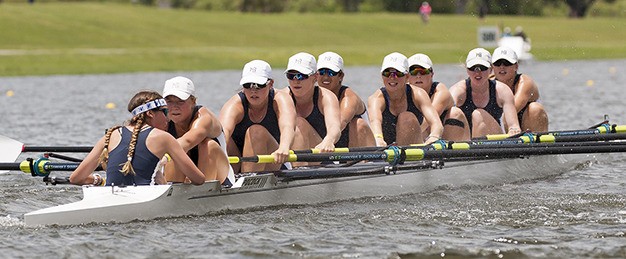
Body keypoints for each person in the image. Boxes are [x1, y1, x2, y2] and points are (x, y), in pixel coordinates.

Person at [69, 90, 205, 186]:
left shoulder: (111, 135)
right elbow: (198, 180)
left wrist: (98, 180)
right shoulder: (164, 137)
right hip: (147, 201)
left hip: (109, 197)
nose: (168, 118)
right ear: (151, 113)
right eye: (164, 112)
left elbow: (75, 178)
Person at [219, 60, 296, 173]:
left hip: (275, 162)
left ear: (271, 84)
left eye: (258, 85)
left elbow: (288, 127)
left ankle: (247, 184)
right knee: (217, 140)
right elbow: (223, 133)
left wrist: (284, 147)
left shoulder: (280, 99)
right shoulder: (234, 104)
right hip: (238, 162)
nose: (253, 91)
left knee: (256, 132)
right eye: (248, 85)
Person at [162, 76, 234, 186]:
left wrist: (161, 157)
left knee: (207, 145)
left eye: (180, 101)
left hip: (221, 177)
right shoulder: (162, 120)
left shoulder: (204, 118)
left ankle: (204, 191)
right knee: (173, 148)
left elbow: (187, 142)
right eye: (169, 101)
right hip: (188, 176)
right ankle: (174, 191)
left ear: (193, 101)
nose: (174, 107)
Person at [368, 52, 443, 147]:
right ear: (382, 76)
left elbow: (437, 124)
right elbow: (375, 122)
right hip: (385, 150)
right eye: (387, 73)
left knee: (406, 118)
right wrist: (378, 139)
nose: (392, 78)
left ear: (407, 77)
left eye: (397, 74)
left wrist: (434, 137)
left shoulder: (418, 94)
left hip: (413, 149)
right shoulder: (376, 99)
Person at [448, 48, 522, 139]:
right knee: (452, 112)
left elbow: (514, 126)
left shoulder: (502, 90)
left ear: (490, 69)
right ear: (467, 70)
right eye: (473, 68)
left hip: (494, 139)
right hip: (466, 140)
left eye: (482, 68)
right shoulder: (457, 90)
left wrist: (514, 131)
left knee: (478, 115)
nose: (477, 73)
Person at [281, 52, 341, 155]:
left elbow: (334, 126)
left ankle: (299, 169)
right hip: (286, 154)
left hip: (320, 153)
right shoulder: (282, 97)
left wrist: (329, 140)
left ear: (315, 77)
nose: (296, 81)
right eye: (291, 76)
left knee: (299, 123)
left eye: (301, 76)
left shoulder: (326, 97)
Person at [316, 51, 374, 148]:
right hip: (331, 150)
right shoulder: (310, 95)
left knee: (358, 124)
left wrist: (328, 141)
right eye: (322, 72)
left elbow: (339, 124)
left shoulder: (349, 98)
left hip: (361, 152)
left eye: (331, 73)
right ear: (315, 75)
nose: (325, 77)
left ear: (341, 76)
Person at [407, 53, 468, 141]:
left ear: (432, 74)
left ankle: (450, 153)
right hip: (426, 136)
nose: (418, 76)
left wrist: (405, 139)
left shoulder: (440, 91)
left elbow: (428, 121)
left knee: (455, 113)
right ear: (407, 76)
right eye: (413, 72)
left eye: (423, 72)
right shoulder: (403, 91)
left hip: (450, 136)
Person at [492, 46, 548, 132]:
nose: (502, 67)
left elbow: (510, 113)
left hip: (524, 125)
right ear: (492, 67)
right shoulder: (487, 82)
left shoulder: (525, 82)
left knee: (535, 108)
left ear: (516, 66)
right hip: (504, 126)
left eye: (506, 63)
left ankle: (537, 144)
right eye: (498, 63)